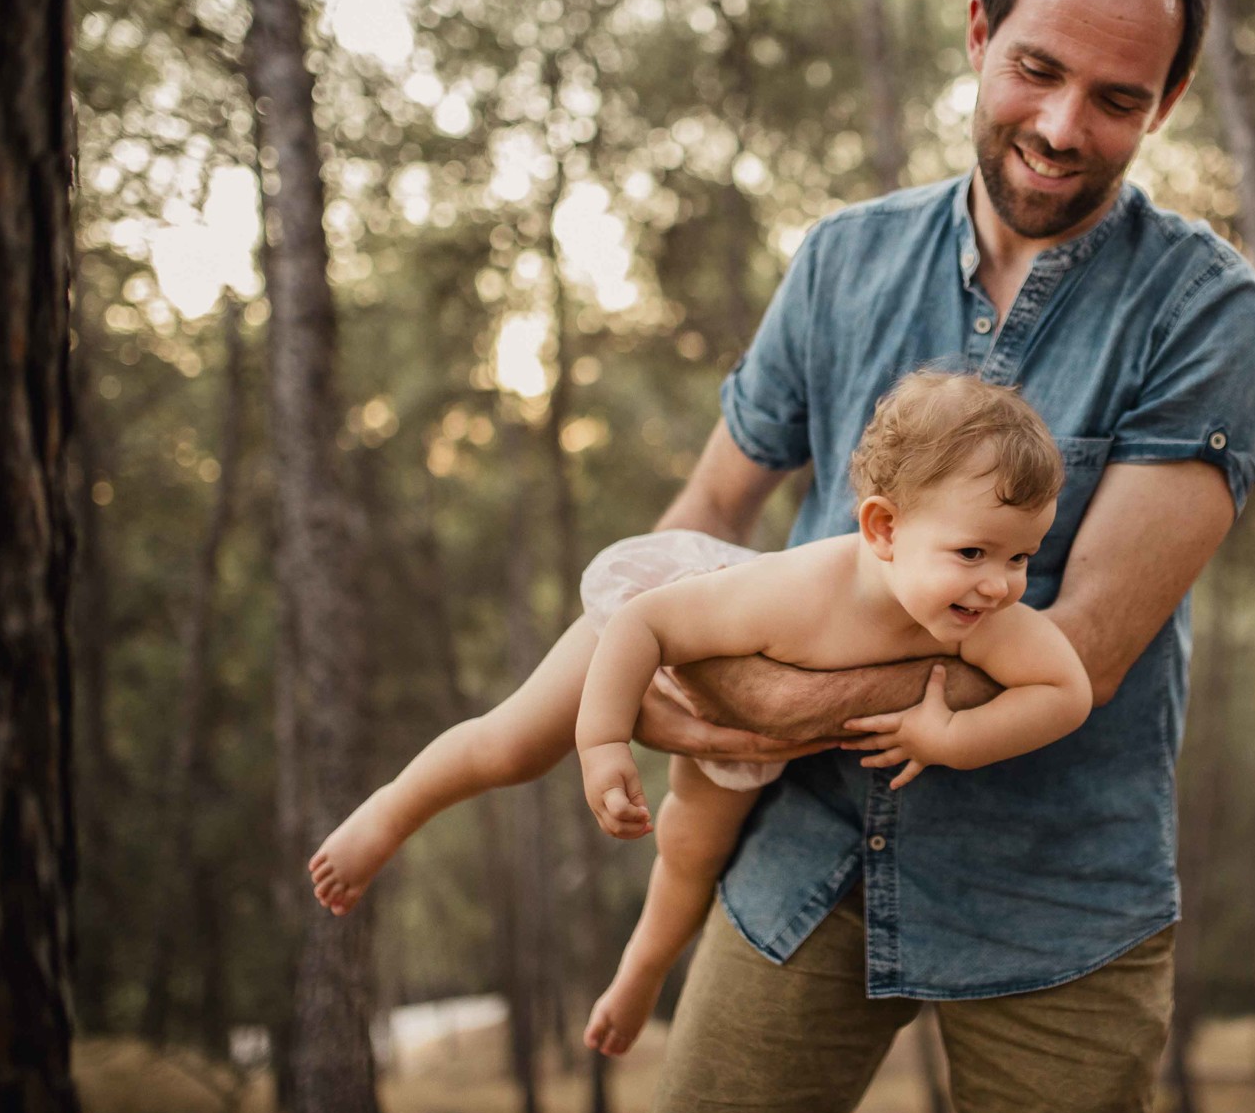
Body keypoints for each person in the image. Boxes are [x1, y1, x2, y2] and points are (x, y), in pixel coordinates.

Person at [607, 0, 1255, 1113]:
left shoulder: (1215, 317)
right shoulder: (841, 261)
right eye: (1037, 69)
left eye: (1116, 98)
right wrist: (647, 671)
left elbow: (1080, 642)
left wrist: (771, 697)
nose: (1059, 125)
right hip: (802, 864)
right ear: (980, 31)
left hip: (1063, 899)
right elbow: (701, 520)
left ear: (1170, 101)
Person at [308, 372, 1093, 1057]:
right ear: (884, 529)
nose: (999, 584)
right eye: (973, 553)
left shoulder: (988, 615)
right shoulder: (794, 592)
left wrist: (954, 737)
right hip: (670, 621)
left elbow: (1065, 692)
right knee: (513, 742)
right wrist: (602, 738)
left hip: (754, 730)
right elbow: (644, 624)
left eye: (1020, 557)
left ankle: (642, 969)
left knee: (690, 846)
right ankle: (388, 810)